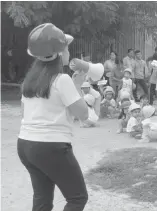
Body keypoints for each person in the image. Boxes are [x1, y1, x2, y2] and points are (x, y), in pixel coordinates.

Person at [19, 23, 92, 210]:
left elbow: (24, 112)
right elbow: (83, 114)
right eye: (66, 48)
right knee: (77, 198)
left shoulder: (29, 80)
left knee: (42, 200)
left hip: (26, 143)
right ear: (58, 54)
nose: (68, 52)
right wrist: (78, 86)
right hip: (51, 146)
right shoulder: (63, 80)